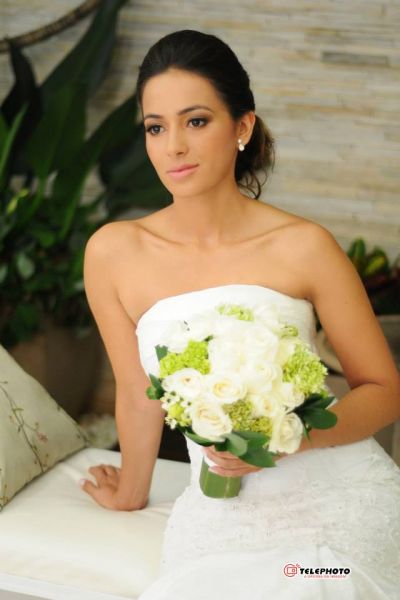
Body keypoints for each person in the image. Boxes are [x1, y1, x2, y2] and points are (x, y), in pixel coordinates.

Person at [81, 29, 400, 599]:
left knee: (314, 584)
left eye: (196, 121)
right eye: (156, 127)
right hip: (222, 515)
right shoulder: (113, 253)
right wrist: (131, 490)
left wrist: (287, 438)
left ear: (242, 127)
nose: (174, 146)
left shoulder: (305, 246)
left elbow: (383, 390)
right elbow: (136, 392)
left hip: (342, 502)